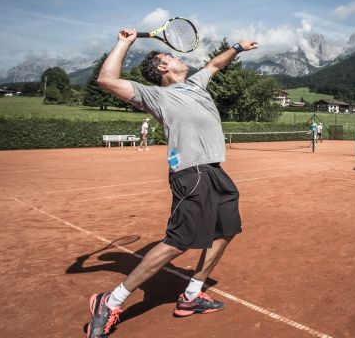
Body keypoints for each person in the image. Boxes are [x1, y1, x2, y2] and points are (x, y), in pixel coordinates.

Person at [85, 29, 257, 338]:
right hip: (191, 175)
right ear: (162, 67)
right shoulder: (156, 95)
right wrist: (124, 42)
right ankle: (110, 302)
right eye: (171, 55)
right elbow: (106, 80)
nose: (179, 57)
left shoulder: (195, 83)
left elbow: (215, 65)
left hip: (216, 171)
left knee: (227, 230)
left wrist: (237, 48)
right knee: (179, 242)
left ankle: (191, 295)